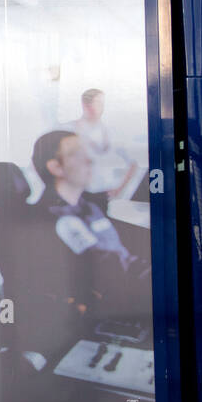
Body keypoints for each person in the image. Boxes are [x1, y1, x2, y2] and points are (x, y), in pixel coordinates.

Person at [22, 129, 152, 352]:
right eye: (76, 154)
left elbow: (123, 258)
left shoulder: (90, 208)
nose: (88, 159)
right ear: (56, 167)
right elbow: (105, 272)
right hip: (93, 321)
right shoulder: (50, 220)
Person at [68, 88, 139, 195]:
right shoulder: (70, 129)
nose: (99, 107)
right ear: (84, 104)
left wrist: (119, 190)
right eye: (96, 103)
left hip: (104, 194)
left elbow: (133, 163)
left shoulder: (112, 132)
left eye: (101, 103)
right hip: (78, 193)